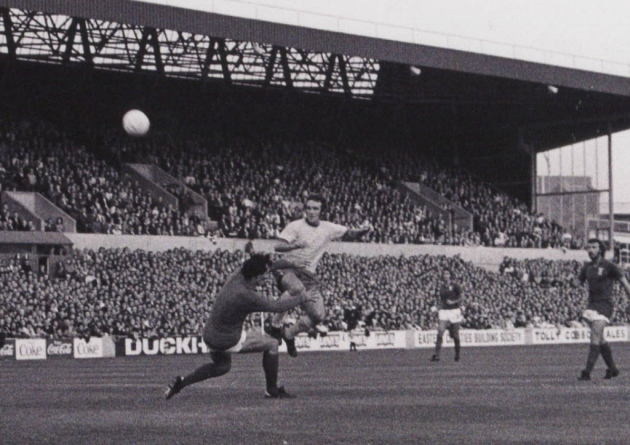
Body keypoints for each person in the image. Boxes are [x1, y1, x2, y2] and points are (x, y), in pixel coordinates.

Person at [164, 253, 305, 400]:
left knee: (222, 367)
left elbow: (252, 262)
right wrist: (301, 298)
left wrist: (268, 262)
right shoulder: (247, 296)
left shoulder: (237, 275)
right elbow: (277, 306)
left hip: (210, 335)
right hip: (227, 339)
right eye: (264, 275)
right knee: (272, 344)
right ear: (256, 277)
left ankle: (181, 382)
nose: (266, 278)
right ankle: (272, 390)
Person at [267, 194, 371, 357]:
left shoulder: (328, 228)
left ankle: (289, 334)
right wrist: (294, 245)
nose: (311, 212)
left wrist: (364, 230)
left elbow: (350, 234)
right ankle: (275, 325)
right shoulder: (295, 226)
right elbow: (277, 246)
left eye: (315, 208)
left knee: (317, 316)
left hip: (309, 276)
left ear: (322, 211)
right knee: (295, 288)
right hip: (289, 269)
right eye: (308, 208)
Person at [576, 239, 630, 381]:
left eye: (594, 247)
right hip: (591, 307)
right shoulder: (587, 267)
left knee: (595, 335)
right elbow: (578, 282)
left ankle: (586, 372)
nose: (590, 250)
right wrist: (571, 280)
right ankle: (612, 369)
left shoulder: (609, 266)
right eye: (588, 247)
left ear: (600, 249)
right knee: (600, 339)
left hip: (605, 306)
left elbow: (625, 283)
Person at [431, 269, 463, 362]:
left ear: (450, 275)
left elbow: (461, 297)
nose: (445, 275)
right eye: (444, 273)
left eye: (447, 273)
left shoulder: (455, 286)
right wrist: (437, 307)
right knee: (440, 332)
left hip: (454, 311)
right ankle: (436, 355)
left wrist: (453, 301)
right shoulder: (440, 287)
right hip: (444, 311)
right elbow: (441, 300)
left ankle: (457, 355)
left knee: (455, 335)